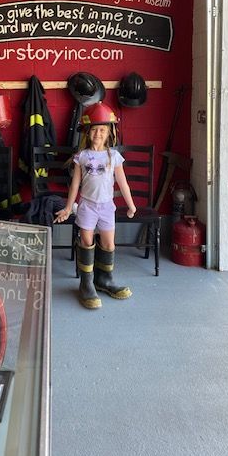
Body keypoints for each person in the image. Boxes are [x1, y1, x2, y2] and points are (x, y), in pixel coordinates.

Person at [55, 101, 137, 309]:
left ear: (109, 132)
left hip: (107, 207)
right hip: (87, 207)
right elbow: (75, 185)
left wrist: (131, 205)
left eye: (102, 130)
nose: (98, 134)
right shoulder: (81, 157)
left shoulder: (114, 156)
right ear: (86, 132)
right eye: (94, 129)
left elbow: (123, 183)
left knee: (109, 244)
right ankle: (87, 284)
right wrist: (68, 208)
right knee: (86, 241)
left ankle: (104, 280)